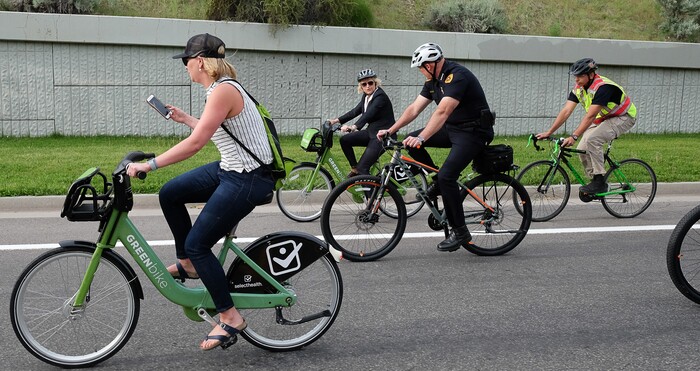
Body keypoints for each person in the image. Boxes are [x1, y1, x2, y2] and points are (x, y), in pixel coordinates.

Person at [126, 33, 275, 351]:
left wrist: (148, 165)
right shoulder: (220, 90)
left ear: (200, 62)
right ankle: (190, 264)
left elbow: (196, 145)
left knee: (199, 243)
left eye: (186, 61)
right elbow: (216, 130)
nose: (184, 66)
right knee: (170, 193)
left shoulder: (222, 91)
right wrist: (185, 119)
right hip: (231, 169)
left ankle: (230, 316)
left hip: (248, 178)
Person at [376, 43, 494, 252]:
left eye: (421, 67)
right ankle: (437, 182)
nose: (420, 72)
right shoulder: (432, 81)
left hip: (473, 132)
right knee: (409, 140)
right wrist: (391, 129)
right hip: (453, 129)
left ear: (430, 64)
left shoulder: (456, 76)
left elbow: (442, 112)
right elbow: (414, 109)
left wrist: (422, 137)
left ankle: (461, 233)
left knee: (447, 176)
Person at [536, 58, 637, 194]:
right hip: (603, 119)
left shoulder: (603, 87)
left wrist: (574, 136)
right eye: (575, 76)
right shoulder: (579, 89)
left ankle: (599, 182)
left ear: (591, 74)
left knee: (593, 140)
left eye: (580, 76)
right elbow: (566, 111)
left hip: (623, 117)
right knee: (582, 149)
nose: (576, 80)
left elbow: (590, 116)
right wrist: (549, 132)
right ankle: (596, 182)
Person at [329, 69, 395, 176]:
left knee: (363, 168)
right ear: (361, 86)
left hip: (383, 137)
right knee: (345, 140)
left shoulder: (380, 96)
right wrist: (335, 121)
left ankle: (370, 191)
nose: (368, 86)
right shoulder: (366, 96)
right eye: (364, 84)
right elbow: (355, 111)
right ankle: (354, 169)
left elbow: (368, 114)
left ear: (375, 83)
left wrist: (353, 127)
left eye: (370, 83)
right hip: (372, 133)